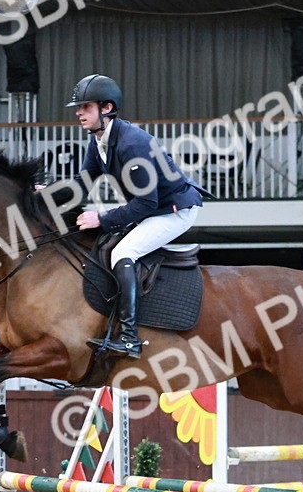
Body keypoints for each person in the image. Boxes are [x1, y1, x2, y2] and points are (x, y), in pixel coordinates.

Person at [64, 74, 206, 359]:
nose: (79, 112)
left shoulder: (132, 145)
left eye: (86, 107)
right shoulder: (98, 141)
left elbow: (146, 203)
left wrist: (101, 219)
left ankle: (130, 338)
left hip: (173, 210)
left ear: (106, 108)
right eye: (79, 108)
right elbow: (80, 185)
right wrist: (43, 195)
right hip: (151, 207)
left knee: (122, 252)